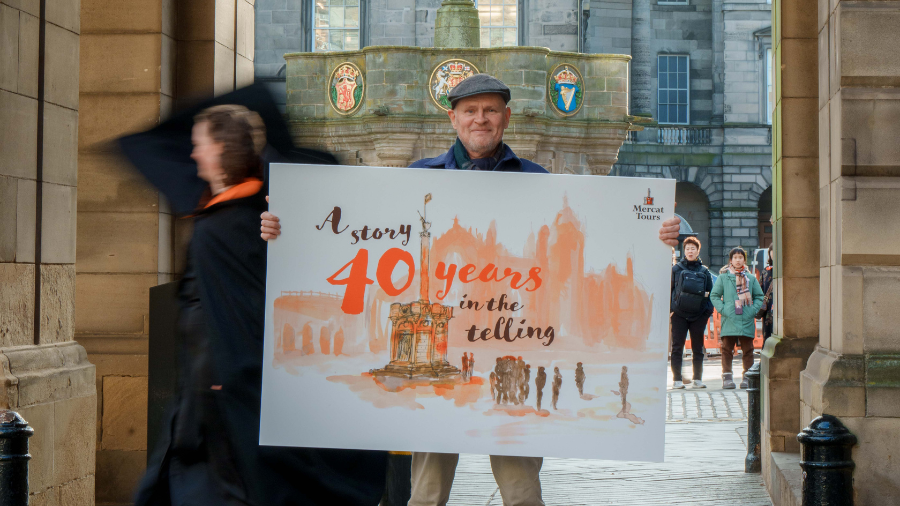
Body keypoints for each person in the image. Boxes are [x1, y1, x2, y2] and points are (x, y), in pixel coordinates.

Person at [259, 73, 683, 506]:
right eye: (470, 111)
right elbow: (358, 238)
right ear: (453, 118)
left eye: (490, 110)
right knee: (425, 494)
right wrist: (285, 226)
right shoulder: (416, 178)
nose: (481, 119)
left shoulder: (539, 182)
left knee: (521, 494)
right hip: (441, 352)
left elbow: (596, 243)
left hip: (508, 349)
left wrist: (659, 237)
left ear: (506, 117)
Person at [133, 105, 387, 506]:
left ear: (220, 149)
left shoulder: (237, 222)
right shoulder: (226, 217)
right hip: (216, 392)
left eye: (200, 144)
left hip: (225, 394)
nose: (194, 154)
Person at [710, 247, 765, 390]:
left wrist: (752, 310)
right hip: (729, 318)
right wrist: (723, 309)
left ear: (744, 260)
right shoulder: (723, 277)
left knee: (748, 350)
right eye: (735, 257)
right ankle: (727, 377)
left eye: (740, 257)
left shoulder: (751, 278)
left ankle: (747, 377)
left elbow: (759, 296)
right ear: (731, 260)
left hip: (746, 317)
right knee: (727, 349)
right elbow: (714, 295)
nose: (738, 260)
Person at [669, 237, 715, 389]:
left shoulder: (704, 271)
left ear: (698, 251)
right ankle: (676, 380)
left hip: (698, 315)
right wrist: (671, 310)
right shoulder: (676, 269)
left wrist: (706, 313)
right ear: (684, 250)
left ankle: (698, 379)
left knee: (698, 347)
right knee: (677, 347)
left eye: (693, 248)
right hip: (679, 314)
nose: (690, 251)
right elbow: (669, 290)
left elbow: (711, 293)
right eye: (687, 248)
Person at [759, 246, 774, 342]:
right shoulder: (766, 271)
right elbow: (760, 290)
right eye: (772, 251)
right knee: (768, 333)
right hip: (768, 308)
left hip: (781, 307)